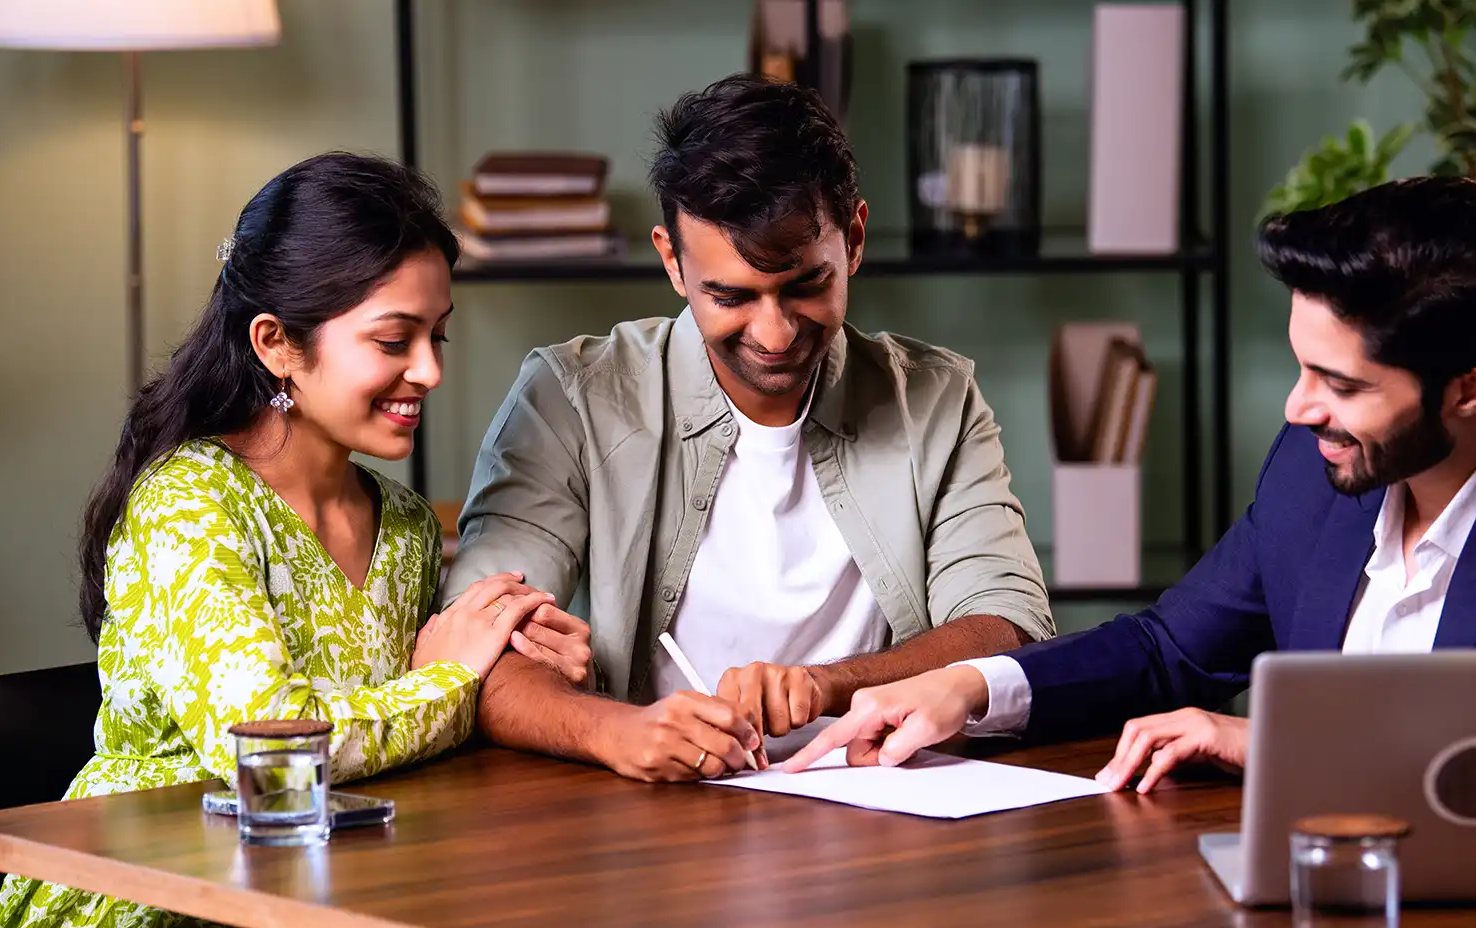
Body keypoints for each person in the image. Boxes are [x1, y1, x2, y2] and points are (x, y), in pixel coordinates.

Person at [788, 176, 1476, 790]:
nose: (1297, 409)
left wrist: (1280, 749)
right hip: (1306, 895)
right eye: (1301, 368)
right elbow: (1172, 651)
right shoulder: (1320, 470)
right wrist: (964, 686)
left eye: (1341, 384)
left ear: (1473, 388)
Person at [0, 153, 590, 928]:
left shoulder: (402, 527)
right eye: (393, 340)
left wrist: (521, 661)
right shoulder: (191, 503)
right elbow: (273, 749)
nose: (431, 372)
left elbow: (396, 740)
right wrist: (453, 682)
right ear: (277, 344)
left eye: (436, 336)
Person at [442, 74, 1054, 783]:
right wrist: (619, 732)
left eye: (804, 285)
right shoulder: (570, 399)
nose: (774, 332)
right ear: (672, 261)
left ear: (853, 240)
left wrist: (827, 684)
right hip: (659, 820)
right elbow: (474, 655)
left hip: (887, 808)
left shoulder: (938, 399)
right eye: (731, 296)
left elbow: (1008, 628)